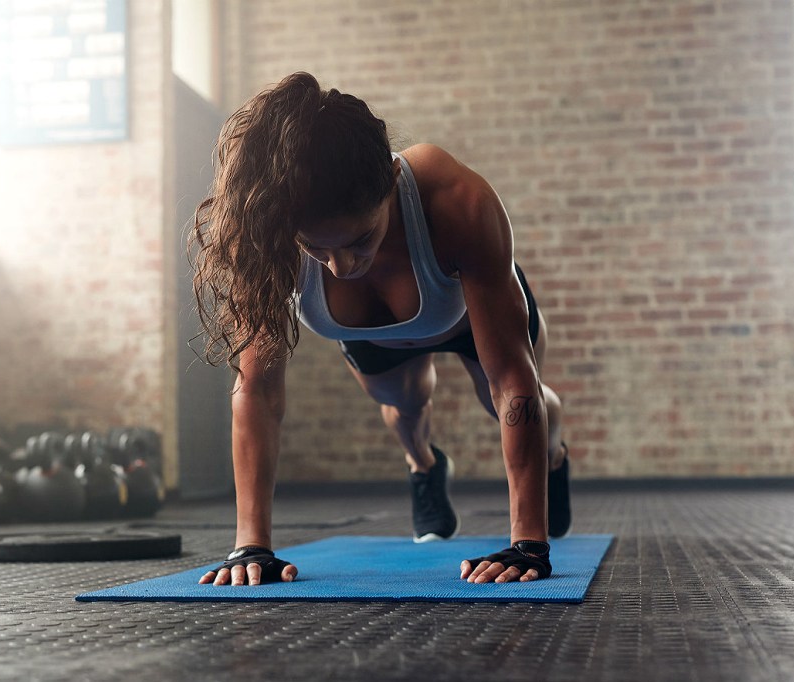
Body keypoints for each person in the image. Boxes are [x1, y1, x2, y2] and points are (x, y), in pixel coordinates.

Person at [192, 72, 570, 587]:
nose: (341, 267)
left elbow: (509, 379)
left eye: (360, 238)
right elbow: (256, 389)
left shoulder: (458, 200)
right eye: (316, 249)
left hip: (467, 314)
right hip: (373, 335)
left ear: (392, 180)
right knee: (406, 407)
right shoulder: (267, 234)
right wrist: (250, 546)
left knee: (509, 404)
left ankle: (556, 453)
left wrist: (528, 542)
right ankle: (425, 467)